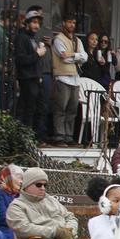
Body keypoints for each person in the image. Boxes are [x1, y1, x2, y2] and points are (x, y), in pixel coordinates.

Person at [50, 14, 89, 146]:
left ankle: (68, 136)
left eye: (73, 22)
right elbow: (63, 58)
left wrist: (73, 54)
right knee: (61, 108)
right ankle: (59, 136)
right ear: (64, 23)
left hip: (75, 79)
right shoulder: (58, 39)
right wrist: (78, 56)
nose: (72, 25)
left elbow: (85, 57)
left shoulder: (77, 40)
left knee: (72, 110)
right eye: (69, 22)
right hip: (62, 77)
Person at [14, 9, 48, 141]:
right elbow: (21, 60)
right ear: (27, 23)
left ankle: (30, 137)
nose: (37, 26)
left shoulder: (32, 38)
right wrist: (37, 54)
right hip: (26, 79)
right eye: (34, 22)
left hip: (34, 79)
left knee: (35, 109)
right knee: (26, 110)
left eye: (38, 23)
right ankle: (23, 139)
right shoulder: (21, 38)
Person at [0, 164, 23, 239]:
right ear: (9, 177)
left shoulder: (19, 195)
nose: (21, 181)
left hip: (19, 228)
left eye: (22, 179)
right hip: (4, 229)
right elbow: (3, 217)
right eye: (19, 177)